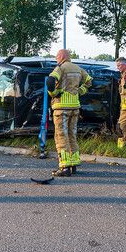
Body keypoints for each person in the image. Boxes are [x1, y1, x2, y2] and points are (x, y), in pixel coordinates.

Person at [46, 49, 92, 177]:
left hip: (61, 107)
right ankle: (73, 164)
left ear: (61, 57)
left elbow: (49, 81)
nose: (56, 59)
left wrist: (54, 93)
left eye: (57, 57)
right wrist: (80, 91)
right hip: (74, 107)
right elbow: (89, 81)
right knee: (72, 135)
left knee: (61, 136)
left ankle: (64, 167)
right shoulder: (78, 68)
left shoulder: (60, 68)